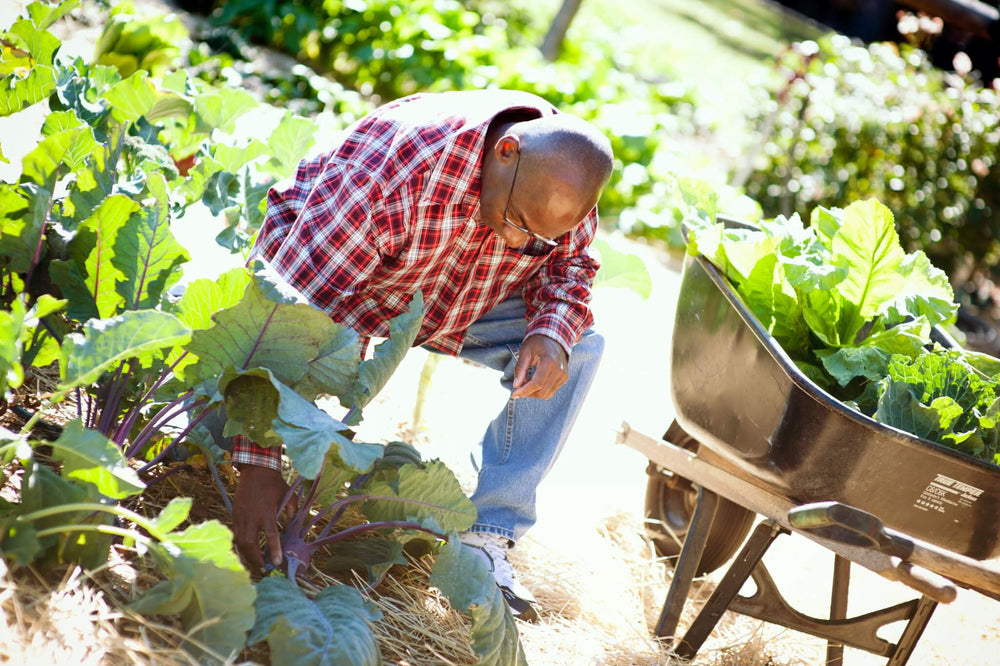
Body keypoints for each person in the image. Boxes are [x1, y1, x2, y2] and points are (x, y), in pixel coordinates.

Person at [230, 89, 614, 621]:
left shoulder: (560, 179)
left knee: (582, 346)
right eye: (517, 221)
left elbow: (572, 267)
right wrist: (259, 467)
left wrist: (551, 332)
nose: (519, 240)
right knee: (276, 375)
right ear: (505, 152)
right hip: (351, 289)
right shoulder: (393, 171)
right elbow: (290, 310)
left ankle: (489, 535)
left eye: (537, 240)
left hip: (461, 299)